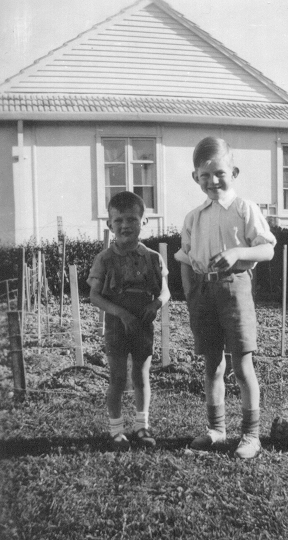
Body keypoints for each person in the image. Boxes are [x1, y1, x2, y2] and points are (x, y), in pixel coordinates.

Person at [175, 137, 276, 459]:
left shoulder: (245, 208)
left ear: (233, 172)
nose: (212, 181)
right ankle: (217, 430)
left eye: (219, 173)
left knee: (242, 363)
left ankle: (251, 435)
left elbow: (267, 248)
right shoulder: (194, 216)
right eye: (204, 176)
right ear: (195, 178)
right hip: (203, 292)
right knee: (212, 364)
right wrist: (191, 294)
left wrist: (237, 252)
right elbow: (186, 259)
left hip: (235, 289)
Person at [87, 191, 170, 450]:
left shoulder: (153, 258)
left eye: (132, 219)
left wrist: (156, 304)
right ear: (109, 224)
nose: (125, 225)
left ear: (143, 222)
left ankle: (141, 426)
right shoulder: (105, 259)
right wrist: (121, 313)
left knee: (141, 375)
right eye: (119, 220)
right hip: (117, 324)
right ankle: (116, 430)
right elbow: (94, 296)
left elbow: (165, 291)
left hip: (143, 323)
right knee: (118, 378)